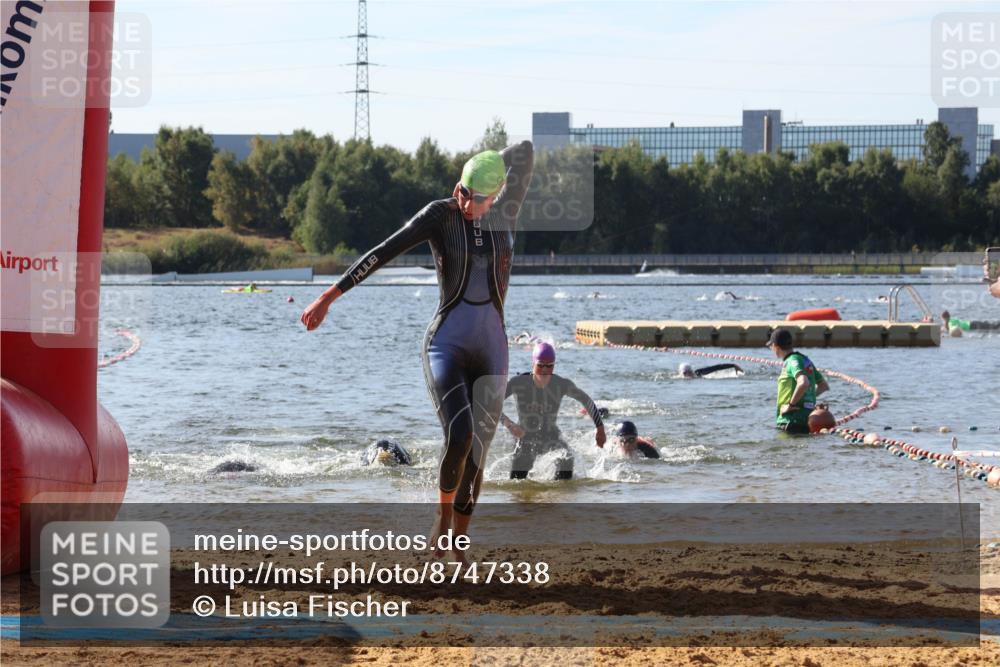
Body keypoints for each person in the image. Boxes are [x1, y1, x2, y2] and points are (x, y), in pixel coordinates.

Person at [301, 141, 534, 556]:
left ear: (496, 195)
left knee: (478, 450)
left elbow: (527, 149)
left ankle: (459, 540)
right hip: (446, 342)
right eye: (462, 190)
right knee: (459, 435)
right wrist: (328, 297)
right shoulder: (439, 215)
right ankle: (441, 521)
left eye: (476, 197)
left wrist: (491, 164)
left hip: (492, 346)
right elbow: (382, 251)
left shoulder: (507, 209)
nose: (464, 201)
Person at [501, 342, 606, 480]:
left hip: (550, 435)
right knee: (516, 487)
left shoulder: (561, 384)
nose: (545, 370)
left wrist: (600, 428)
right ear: (533, 363)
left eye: (549, 366)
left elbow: (587, 401)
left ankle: (555, 498)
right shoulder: (518, 383)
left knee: (567, 459)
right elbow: (490, 406)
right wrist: (509, 424)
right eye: (540, 365)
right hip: (524, 438)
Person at [767, 329, 830, 435]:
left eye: (770, 347)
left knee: (785, 451)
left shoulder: (791, 361)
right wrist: (809, 401)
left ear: (776, 346)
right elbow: (823, 386)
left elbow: (803, 383)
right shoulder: (806, 360)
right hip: (807, 421)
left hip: (790, 421)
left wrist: (790, 405)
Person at [678, 362, 744, 379]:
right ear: (681, 373)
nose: (688, 374)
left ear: (692, 371)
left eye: (690, 372)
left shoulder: (698, 373)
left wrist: (733, 365)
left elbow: (716, 367)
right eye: (685, 373)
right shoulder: (677, 378)